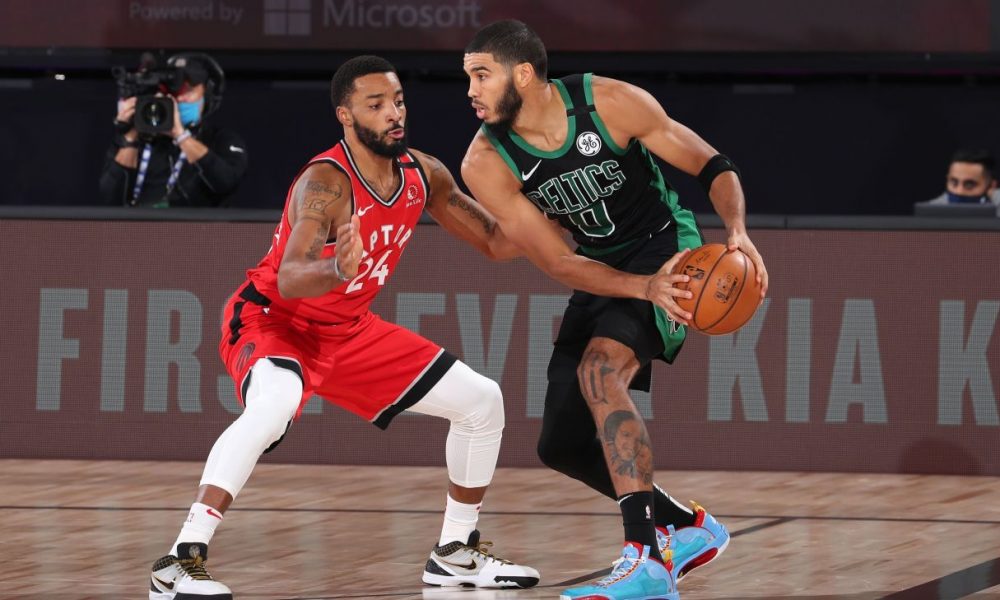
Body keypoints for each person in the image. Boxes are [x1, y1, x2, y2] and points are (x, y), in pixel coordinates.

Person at [147, 55, 539, 599]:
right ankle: (180, 559)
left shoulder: (424, 175)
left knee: (482, 402)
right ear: (346, 116)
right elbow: (289, 278)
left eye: (398, 100)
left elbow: (497, 243)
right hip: (275, 319)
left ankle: (454, 553)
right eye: (375, 105)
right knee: (274, 404)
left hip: (348, 331)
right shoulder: (326, 183)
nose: (393, 114)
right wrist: (337, 267)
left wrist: (552, 213)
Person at [460, 20, 769, 600]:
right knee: (561, 445)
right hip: (604, 269)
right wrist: (637, 287)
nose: (471, 90)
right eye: (468, 76)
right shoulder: (485, 162)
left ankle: (647, 558)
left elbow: (712, 164)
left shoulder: (608, 102)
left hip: (668, 252)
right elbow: (556, 261)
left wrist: (736, 232)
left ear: (522, 74)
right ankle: (690, 527)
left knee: (600, 371)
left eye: (482, 74)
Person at [100, 53, 248, 207]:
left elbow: (227, 182)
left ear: (208, 95)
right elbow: (110, 198)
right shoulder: (141, 138)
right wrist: (130, 135)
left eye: (189, 90)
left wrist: (180, 135)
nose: (180, 98)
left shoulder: (221, 139)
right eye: (175, 91)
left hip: (198, 229)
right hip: (139, 229)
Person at [926, 148, 1000, 205]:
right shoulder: (932, 211)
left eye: (969, 185)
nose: (959, 191)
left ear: (991, 186)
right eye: (954, 183)